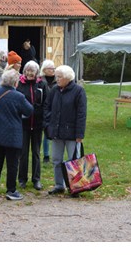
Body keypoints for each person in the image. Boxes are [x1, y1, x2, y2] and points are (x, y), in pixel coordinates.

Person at [0, 69, 33, 201]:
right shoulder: (18, 97)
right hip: (12, 133)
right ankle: (11, 190)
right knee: (12, 163)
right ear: (15, 83)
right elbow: (29, 110)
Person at [44, 65, 87, 195]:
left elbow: (81, 114)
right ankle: (59, 185)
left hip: (72, 133)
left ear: (68, 78)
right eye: (56, 76)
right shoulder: (55, 90)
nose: (57, 79)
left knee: (74, 160)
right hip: (57, 131)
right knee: (56, 160)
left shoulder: (78, 91)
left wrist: (79, 134)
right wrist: (48, 123)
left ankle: (75, 187)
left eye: (59, 77)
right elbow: (47, 106)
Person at [16, 61, 49, 190]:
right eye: (28, 70)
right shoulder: (19, 84)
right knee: (23, 152)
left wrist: (44, 118)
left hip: (37, 124)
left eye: (32, 71)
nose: (30, 73)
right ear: (25, 72)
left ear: (37, 72)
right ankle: (22, 179)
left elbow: (46, 103)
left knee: (36, 152)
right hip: (23, 124)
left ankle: (36, 179)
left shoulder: (42, 84)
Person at [39, 59, 57, 162]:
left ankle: (48, 155)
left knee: (48, 132)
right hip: (41, 109)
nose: (53, 70)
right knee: (42, 131)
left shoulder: (57, 80)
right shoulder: (40, 81)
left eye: (54, 68)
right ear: (45, 69)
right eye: (51, 68)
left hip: (53, 109)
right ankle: (45, 154)